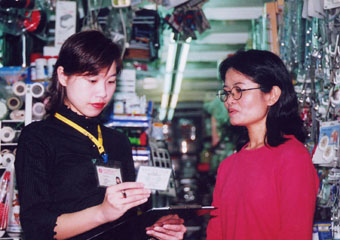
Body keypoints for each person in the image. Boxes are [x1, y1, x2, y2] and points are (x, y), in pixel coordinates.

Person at [15, 30, 186, 240]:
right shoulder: (37, 138)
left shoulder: (117, 141)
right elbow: (36, 228)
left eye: (111, 81)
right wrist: (102, 213)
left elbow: (128, 221)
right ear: (63, 76)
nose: (103, 93)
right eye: (92, 80)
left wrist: (155, 229)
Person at [206, 49, 319, 240]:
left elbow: (296, 234)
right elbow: (216, 234)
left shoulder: (292, 157)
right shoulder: (228, 166)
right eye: (227, 92)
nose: (230, 100)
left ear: (272, 95)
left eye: (239, 90)